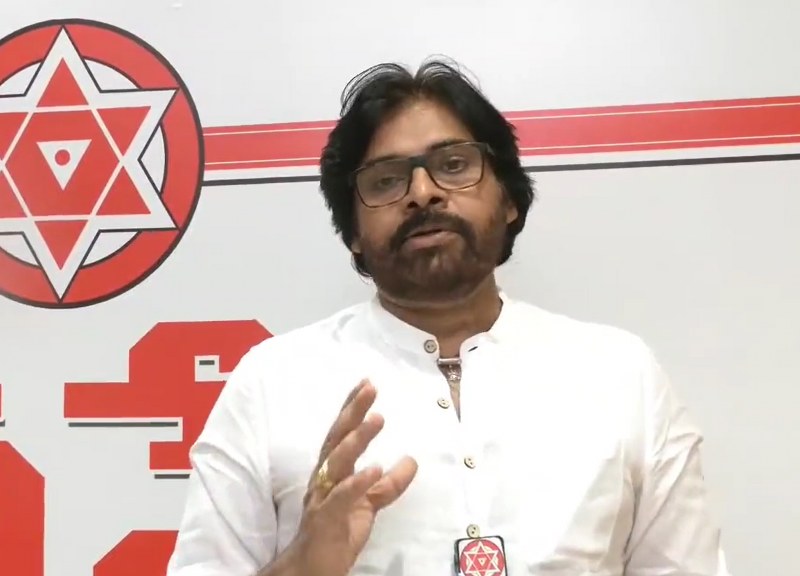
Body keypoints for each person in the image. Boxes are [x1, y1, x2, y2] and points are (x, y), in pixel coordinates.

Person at [166, 59, 730, 576]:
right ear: (353, 234)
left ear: (510, 200)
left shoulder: (621, 375)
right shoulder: (271, 383)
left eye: (453, 165)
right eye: (386, 180)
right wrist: (302, 566)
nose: (422, 192)